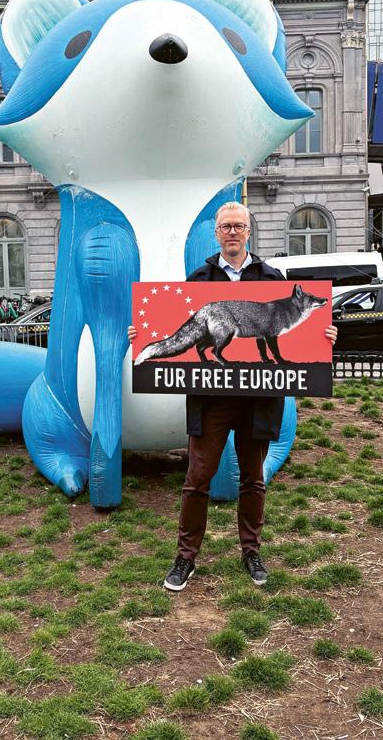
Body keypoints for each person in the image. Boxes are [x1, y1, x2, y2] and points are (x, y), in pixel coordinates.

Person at [128, 202, 337, 592]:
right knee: (197, 478)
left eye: (239, 226)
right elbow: (174, 320)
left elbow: (287, 331)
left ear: (248, 231)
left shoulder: (272, 277)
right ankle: (185, 557)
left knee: (253, 479)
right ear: (217, 233)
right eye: (226, 227)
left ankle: (251, 551)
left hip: (258, 398)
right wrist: (140, 335)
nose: (232, 233)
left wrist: (324, 336)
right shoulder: (200, 278)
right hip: (212, 399)